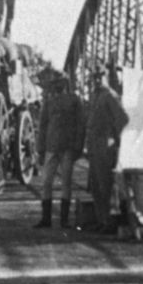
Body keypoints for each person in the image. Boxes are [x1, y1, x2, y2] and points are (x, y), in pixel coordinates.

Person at [34, 76, 85, 229]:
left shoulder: (72, 101)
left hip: (62, 147)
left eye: (60, 84)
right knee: (50, 183)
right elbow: (42, 127)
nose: (58, 87)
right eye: (56, 84)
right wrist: (41, 149)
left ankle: (57, 220)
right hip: (56, 147)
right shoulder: (52, 103)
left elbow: (80, 125)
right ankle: (52, 219)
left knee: (59, 183)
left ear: (65, 85)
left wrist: (78, 147)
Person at [84, 62, 129, 233]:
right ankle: (102, 220)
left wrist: (116, 139)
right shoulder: (95, 96)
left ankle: (110, 221)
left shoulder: (110, 96)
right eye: (93, 77)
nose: (95, 80)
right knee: (96, 185)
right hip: (94, 145)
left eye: (98, 76)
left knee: (106, 185)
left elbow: (123, 119)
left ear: (105, 76)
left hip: (105, 144)